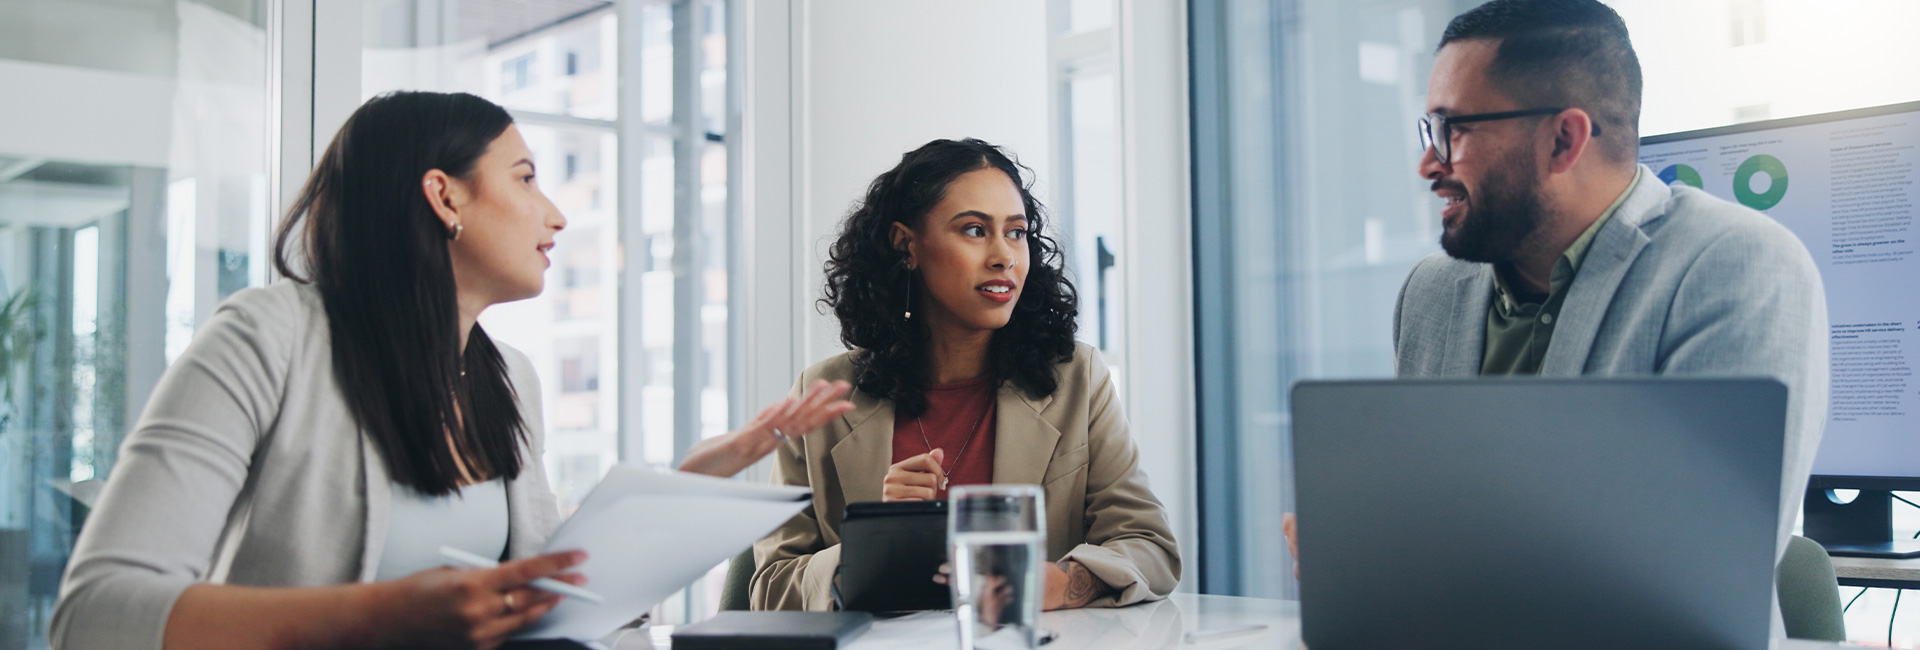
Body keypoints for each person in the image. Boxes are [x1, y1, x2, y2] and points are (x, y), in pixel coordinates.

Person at [50, 91, 853, 650]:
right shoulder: (266, 338)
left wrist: (687, 489)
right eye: (527, 178)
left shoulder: (508, 376)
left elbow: (560, 603)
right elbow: (96, 613)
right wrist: (376, 619)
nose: (557, 216)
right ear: (445, 197)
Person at [1284, 0, 1828, 587]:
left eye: (1454, 130)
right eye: (1429, 131)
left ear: (1564, 140)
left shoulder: (1737, 267)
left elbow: (1694, 571)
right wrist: (1359, 553)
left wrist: (1404, 557)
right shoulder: (1431, 293)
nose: (1426, 164)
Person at [749, 138, 1180, 612]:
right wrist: (876, 541)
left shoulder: (1079, 379)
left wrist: (1059, 582)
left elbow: (1149, 546)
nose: (1004, 257)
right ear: (906, 244)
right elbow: (769, 588)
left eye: (1016, 233)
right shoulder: (823, 396)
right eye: (975, 230)